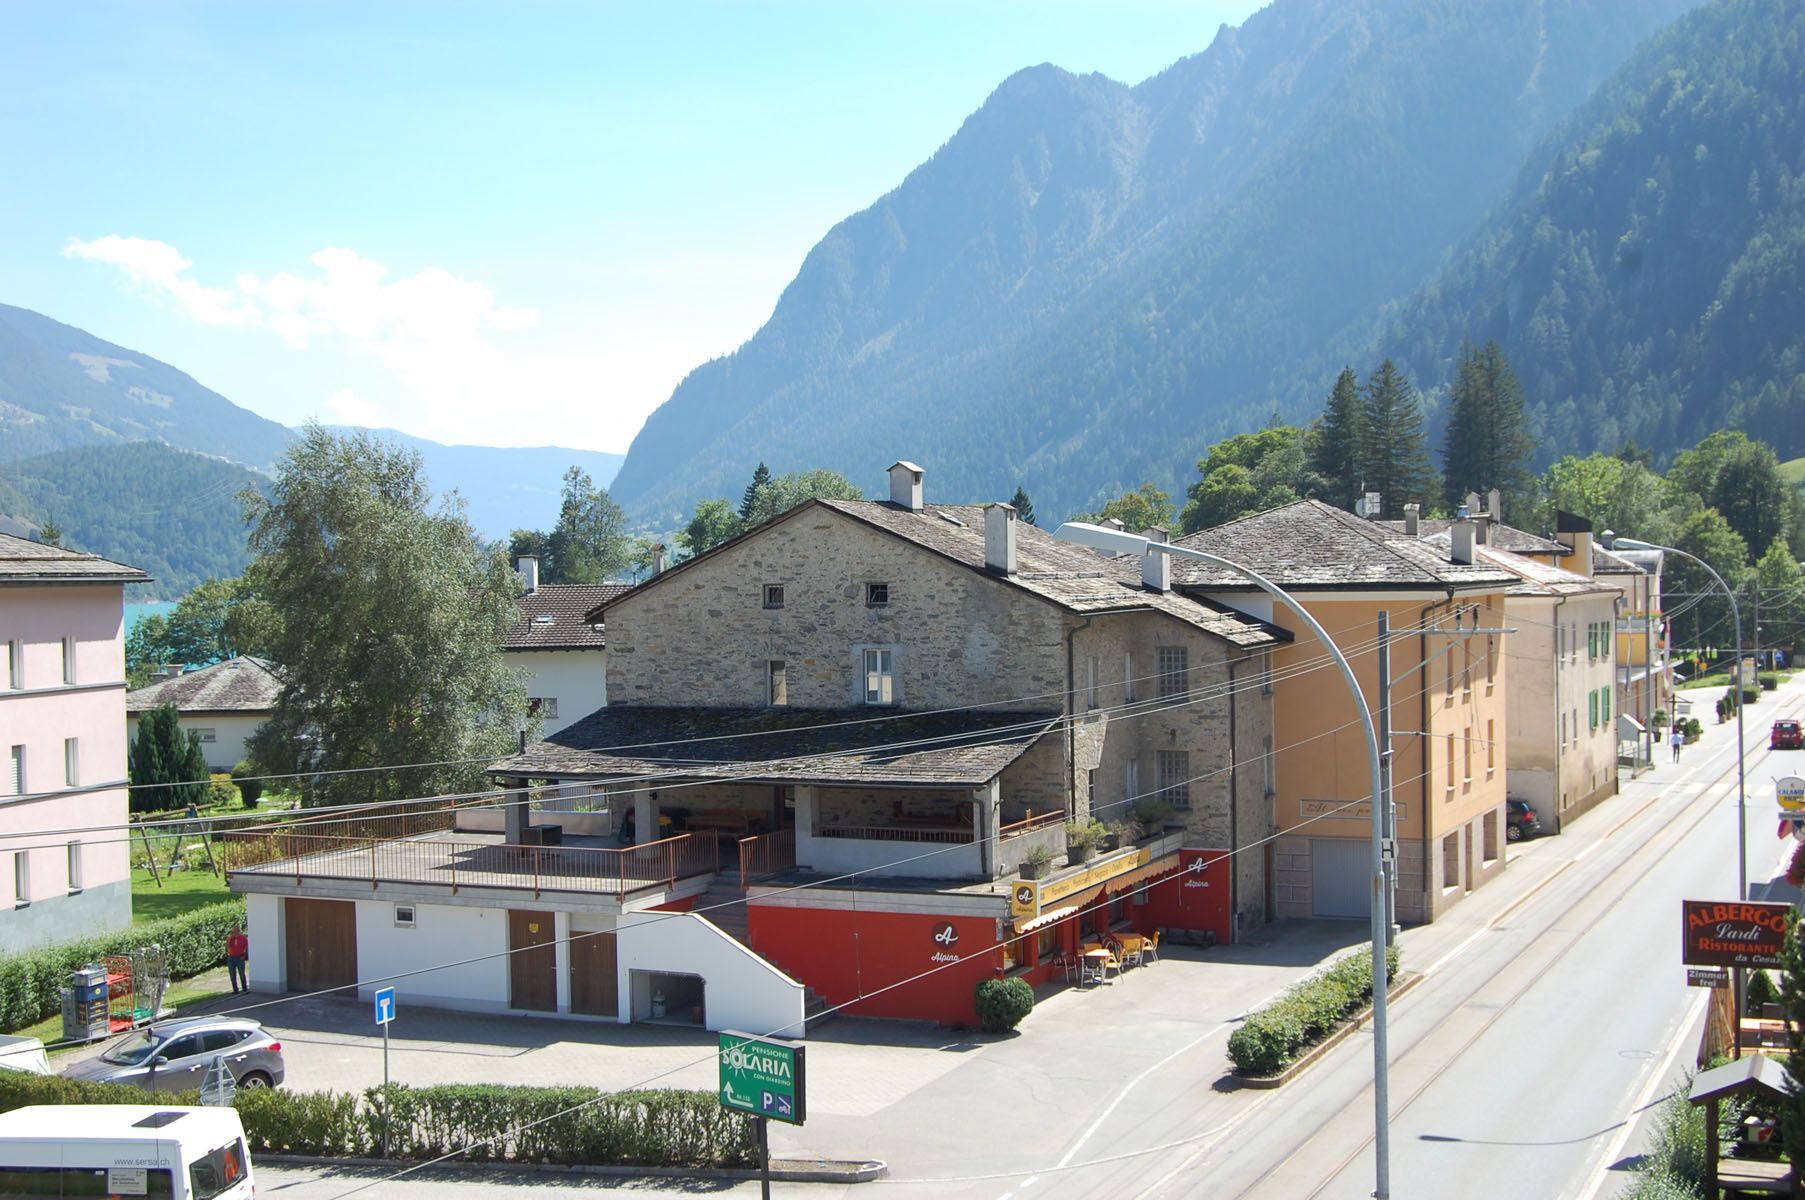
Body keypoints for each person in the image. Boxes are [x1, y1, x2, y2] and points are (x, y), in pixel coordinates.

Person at [226, 926, 249, 994]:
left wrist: (244, 956)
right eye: (233, 932)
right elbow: (227, 947)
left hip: (240, 958)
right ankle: (235, 990)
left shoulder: (243, 938)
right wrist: (229, 939)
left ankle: (244, 988)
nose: (234, 933)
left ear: (239, 931)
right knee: (232, 974)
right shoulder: (231, 938)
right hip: (231, 958)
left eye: (235, 931)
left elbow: (246, 947)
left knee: (242, 974)